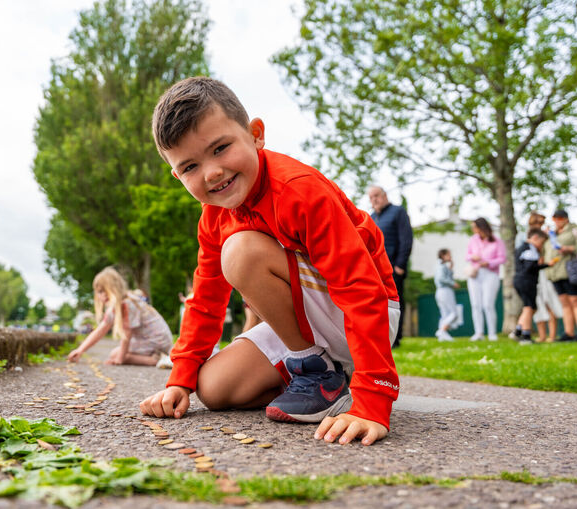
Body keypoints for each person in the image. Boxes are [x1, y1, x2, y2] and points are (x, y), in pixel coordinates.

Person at [140, 77, 401, 446]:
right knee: (213, 389)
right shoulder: (212, 217)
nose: (211, 172)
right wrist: (180, 379)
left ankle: (317, 370)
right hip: (308, 322)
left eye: (220, 148)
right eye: (190, 167)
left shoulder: (298, 190)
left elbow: (358, 287)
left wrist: (373, 400)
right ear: (177, 175)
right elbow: (206, 300)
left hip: (363, 310)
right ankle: (328, 383)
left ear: (256, 135)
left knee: (241, 252)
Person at [67, 266, 173, 366]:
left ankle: (154, 360)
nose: (103, 295)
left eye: (106, 290)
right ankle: (155, 357)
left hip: (157, 342)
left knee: (115, 354)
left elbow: (127, 334)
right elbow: (100, 330)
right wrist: (80, 350)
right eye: (100, 292)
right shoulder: (116, 307)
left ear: (116, 288)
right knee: (115, 353)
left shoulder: (127, 304)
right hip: (152, 341)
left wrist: (120, 359)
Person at [368, 186, 413, 348]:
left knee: (394, 303)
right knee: (378, 304)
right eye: (371, 197)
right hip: (375, 270)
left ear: (385, 195)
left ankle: (395, 338)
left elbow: (406, 238)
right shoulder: (371, 217)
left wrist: (400, 264)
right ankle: (382, 338)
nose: (374, 199)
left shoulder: (398, 212)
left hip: (393, 267)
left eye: (376, 195)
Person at [543, 210, 577, 341]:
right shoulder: (551, 234)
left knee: (576, 300)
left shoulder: (575, 231)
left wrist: (569, 249)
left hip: (572, 271)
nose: (557, 221)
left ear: (566, 219)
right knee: (564, 302)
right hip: (555, 273)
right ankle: (569, 333)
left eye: (560, 218)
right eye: (554, 218)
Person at [465, 217, 506, 341]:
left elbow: (502, 258)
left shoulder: (497, 241)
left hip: (490, 274)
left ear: (481, 227)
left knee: (488, 304)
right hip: (475, 274)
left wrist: (488, 262)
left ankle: (492, 333)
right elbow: (467, 256)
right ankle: (479, 333)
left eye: (474, 227)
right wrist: (473, 257)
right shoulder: (473, 240)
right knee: (476, 304)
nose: (473, 229)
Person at [512, 229, 551, 344]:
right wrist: (546, 265)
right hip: (527, 281)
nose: (541, 245)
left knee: (531, 307)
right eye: (541, 242)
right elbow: (529, 268)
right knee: (529, 307)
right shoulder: (529, 249)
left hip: (520, 280)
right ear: (535, 238)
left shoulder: (521, 248)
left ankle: (518, 331)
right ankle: (526, 335)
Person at [433, 249, 459, 342]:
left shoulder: (441, 266)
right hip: (445, 291)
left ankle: (442, 335)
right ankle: (441, 331)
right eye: (448, 255)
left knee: (445, 314)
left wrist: (451, 268)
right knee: (454, 314)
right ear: (443, 255)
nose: (450, 256)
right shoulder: (441, 266)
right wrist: (452, 283)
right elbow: (441, 278)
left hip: (440, 291)